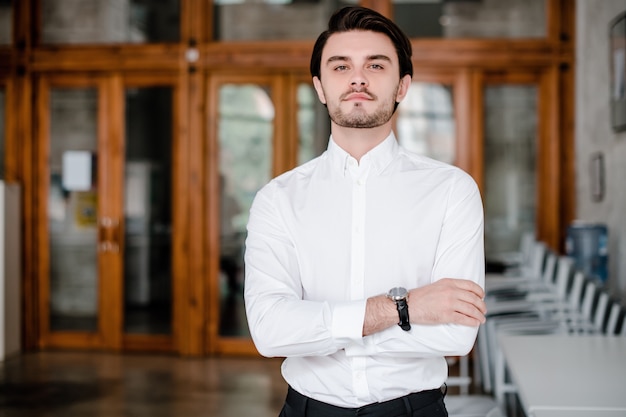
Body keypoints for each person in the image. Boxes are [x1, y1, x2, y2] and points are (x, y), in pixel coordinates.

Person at [244, 6, 487, 417]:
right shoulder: (278, 198)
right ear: (320, 87)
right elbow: (270, 332)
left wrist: (323, 329)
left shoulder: (451, 190)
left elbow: (455, 335)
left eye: (376, 64)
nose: (358, 78)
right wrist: (403, 309)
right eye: (340, 67)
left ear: (402, 86)